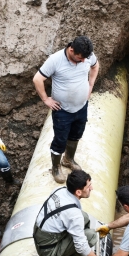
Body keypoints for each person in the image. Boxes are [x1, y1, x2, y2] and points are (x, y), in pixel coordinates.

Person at [33, 36, 100, 183]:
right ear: (71, 50)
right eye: (80, 58)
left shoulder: (87, 55)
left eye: (85, 58)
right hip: (62, 111)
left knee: (76, 135)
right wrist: (45, 99)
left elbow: (95, 66)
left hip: (81, 107)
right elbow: (37, 79)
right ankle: (56, 167)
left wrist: (90, 85)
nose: (84, 61)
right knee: (60, 140)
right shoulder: (55, 60)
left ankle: (68, 159)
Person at [33, 169, 104, 256]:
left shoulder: (60, 190)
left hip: (40, 234)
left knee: (84, 217)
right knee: (91, 236)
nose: (92, 188)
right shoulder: (73, 215)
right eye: (88, 186)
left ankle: (73, 241)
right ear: (78, 192)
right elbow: (81, 247)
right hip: (47, 250)